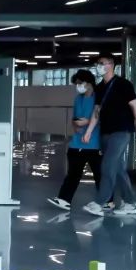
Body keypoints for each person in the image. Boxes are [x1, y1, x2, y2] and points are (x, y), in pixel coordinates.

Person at [83, 53, 136, 216]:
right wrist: (89, 131)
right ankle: (131, 203)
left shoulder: (123, 84)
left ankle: (100, 202)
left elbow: (135, 107)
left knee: (108, 165)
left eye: (101, 63)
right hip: (106, 132)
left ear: (111, 64)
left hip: (122, 131)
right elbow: (96, 112)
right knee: (118, 168)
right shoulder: (100, 88)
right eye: (97, 63)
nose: (98, 66)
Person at [48, 70, 103, 210]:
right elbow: (75, 118)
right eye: (76, 84)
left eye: (80, 83)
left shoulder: (99, 98)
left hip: (94, 144)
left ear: (88, 83)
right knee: (73, 174)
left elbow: (101, 117)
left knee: (100, 175)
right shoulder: (78, 99)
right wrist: (76, 125)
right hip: (77, 143)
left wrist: (86, 122)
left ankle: (107, 201)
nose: (78, 86)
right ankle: (64, 199)